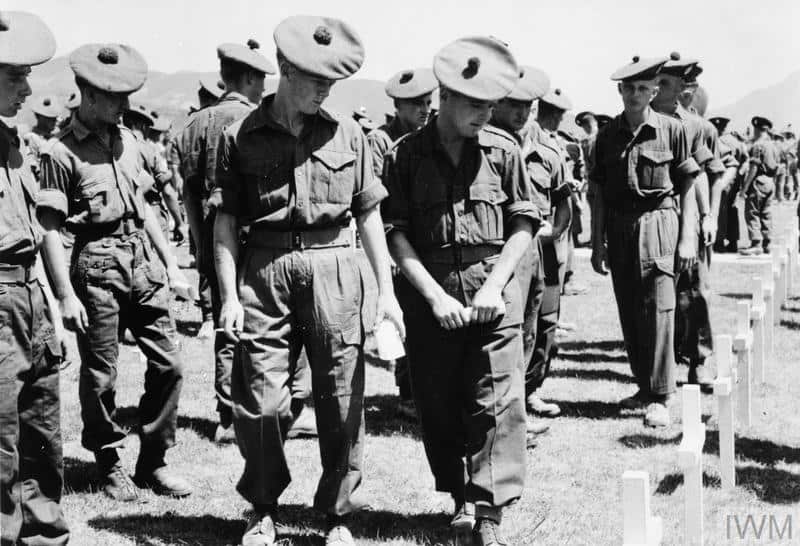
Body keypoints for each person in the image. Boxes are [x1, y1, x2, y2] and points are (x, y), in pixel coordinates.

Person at [213, 16, 404, 546]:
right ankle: (262, 508)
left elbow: (369, 214)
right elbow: (226, 221)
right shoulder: (239, 136)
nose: (325, 91)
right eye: (316, 80)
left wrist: (386, 293)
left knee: (341, 397)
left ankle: (338, 514)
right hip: (264, 269)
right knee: (261, 400)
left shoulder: (349, 134)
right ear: (284, 68)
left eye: (332, 82)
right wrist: (228, 296)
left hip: (334, 266)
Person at [383, 36, 546, 545]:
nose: (485, 115)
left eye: (491, 105)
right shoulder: (405, 155)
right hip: (430, 295)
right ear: (446, 96)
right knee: (438, 402)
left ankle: (489, 514)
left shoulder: (504, 151)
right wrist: (434, 297)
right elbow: (394, 233)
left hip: (492, 294)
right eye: (476, 105)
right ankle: (460, 497)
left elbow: (525, 223)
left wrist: (495, 287)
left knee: (498, 402)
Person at [37, 42, 192, 502]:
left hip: (141, 260)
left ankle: (153, 461)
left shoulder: (130, 143)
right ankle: (108, 462)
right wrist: (65, 295)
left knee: (170, 363)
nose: (125, 104)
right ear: (89, 95)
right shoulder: (61, 153)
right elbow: (49, 229)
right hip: (96, 265)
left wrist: (171, 264)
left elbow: (144, 209)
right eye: (115, 96)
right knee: (101, 374)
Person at [174, 39, 310, 445]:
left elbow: (189, 194)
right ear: (250, 79)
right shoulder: (259, 120)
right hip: (262, 242)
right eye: (261, 79)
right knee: (281, 325)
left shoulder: (195, 125)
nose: (264, 86)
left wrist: (201, 246)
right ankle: (288, 407)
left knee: (227, 324)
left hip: (217, 241)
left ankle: (228, 416)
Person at [590, 55, 699, 428]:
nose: (634, 94)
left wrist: (688, 237)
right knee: (630, 307)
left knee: (659, 308)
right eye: (628, 88)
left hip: (659, 222)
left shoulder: (672, 130)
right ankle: (644, 386)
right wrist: (597, 242)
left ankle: (662, 395)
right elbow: (598, 193)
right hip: (620, 226)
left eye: (642, 88)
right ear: (620, 91)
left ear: (654, 91)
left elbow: (688, 185)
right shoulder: (606, 136)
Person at [0, 10, 70, 545]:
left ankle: (44, 535)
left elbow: (41, 229)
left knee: (41, 427)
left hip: (29, 293)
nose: (27, 90)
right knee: (1, 431)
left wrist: (58, 300)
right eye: (14, 77)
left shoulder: (20, 146)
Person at [487, 64, 558, 441]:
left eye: (528, 106)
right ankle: (506, 424)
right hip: (499, 254)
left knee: (529, 330)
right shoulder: (484, 145)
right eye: (513, 104)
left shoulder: (540, 147)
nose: (521, 113)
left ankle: (519, 412)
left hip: (531, 252)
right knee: (504, 339)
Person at [367, 66, 437, 420]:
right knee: (406, 318)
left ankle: (426, 391)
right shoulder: (381, 141)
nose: (424, 110)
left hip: (424, 240)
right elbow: (376, 200)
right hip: (396, 238)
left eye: (427, 102)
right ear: (397, 106)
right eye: (415, 104)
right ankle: (408, 394)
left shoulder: (431, 138)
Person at [652, 53, 725, 389]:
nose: (661, 88)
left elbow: (704, 176)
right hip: (655, 221)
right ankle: (660, 371)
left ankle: (699, 363)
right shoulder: (643, 121)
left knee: (694, 294)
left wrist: (708, 216)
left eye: (669, 82)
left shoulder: (695, 125)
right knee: (657, 297)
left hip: (687, 219)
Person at [739, 116, 779, 255]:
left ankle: (756, 243)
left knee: (752, 212)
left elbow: (754, 168)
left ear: (757, 129)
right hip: (770, 181)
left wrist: (744, 188)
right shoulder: (773, 145)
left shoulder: (758, 145)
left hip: (759, 181)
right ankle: (767, 243)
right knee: (766, 213)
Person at [711, 116, 749, 252]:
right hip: (734, 181)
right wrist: (739, 176)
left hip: (722, 179)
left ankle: (719, 242)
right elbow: (746, 161)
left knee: (720, 209)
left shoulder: (718, 141)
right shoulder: (737, 142)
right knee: (732, 209)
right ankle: (733, 241)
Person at [23, 95, 60, 178]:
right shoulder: (31, 138)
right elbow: (32, 167)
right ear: (38, 117)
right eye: (49, 118)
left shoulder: (54, 137)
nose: (54, 121)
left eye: (54, 118)